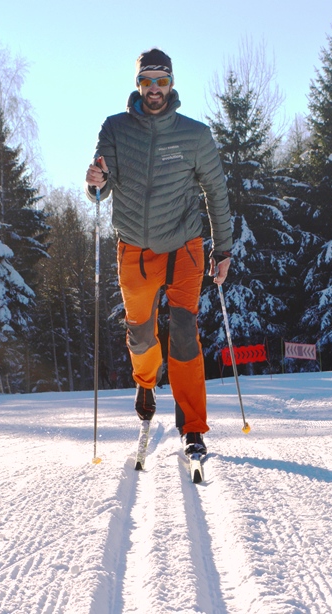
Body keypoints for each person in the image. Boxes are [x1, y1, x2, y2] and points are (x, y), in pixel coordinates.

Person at [85, 48, 232, 456]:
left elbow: (216, 192)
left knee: (185, 332)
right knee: (141, 334)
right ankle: (145, 384)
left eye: (161, 81)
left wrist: (224, 249)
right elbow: (101, 185)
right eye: (147, 81)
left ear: (171, 84)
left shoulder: (195, 135)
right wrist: (94, 180)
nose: (154, 89)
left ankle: (193, 427)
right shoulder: (115, 129)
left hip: (185, 247)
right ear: (138, 85)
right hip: (135, 247)